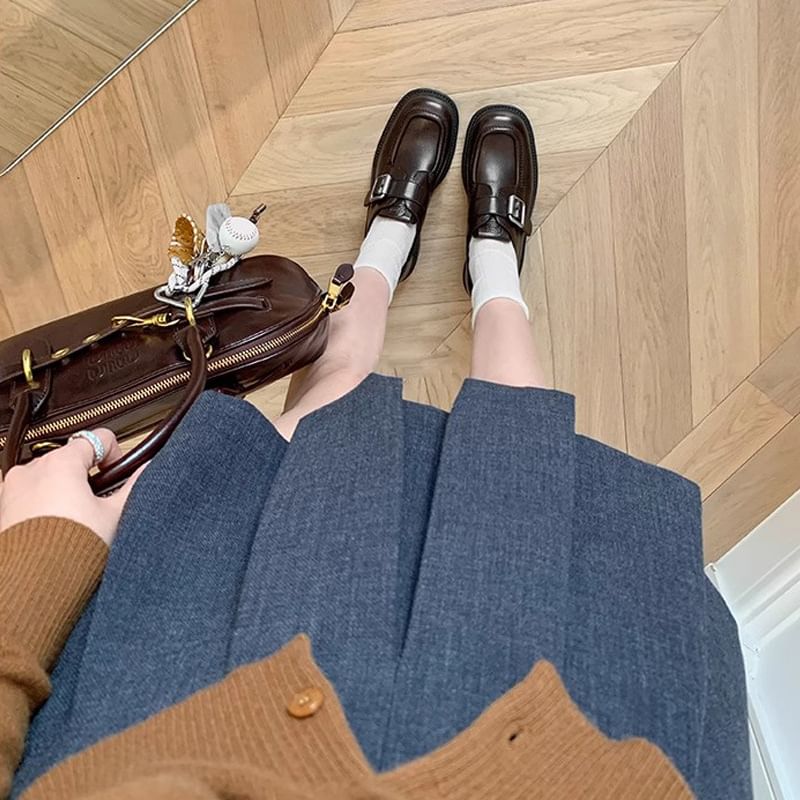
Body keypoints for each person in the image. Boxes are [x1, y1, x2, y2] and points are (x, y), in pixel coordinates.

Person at [0, 89, 750, 799]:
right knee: (523, 472)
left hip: (164, 728)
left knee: (316, 442)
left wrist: (31, 572)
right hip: (567, 766)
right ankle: (494, 266)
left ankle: (384, 252)